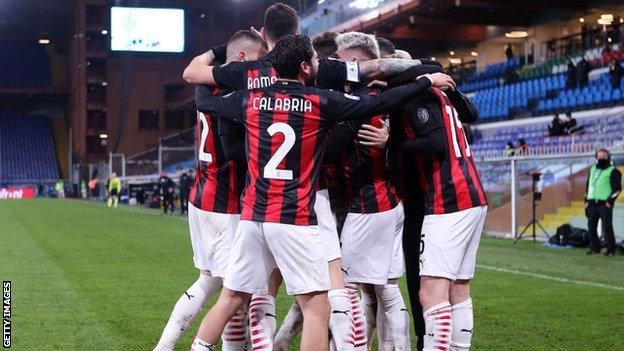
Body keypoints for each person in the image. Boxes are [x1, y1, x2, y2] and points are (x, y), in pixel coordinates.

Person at [191, 34, 455, 351]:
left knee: (231, 297)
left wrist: (213, 71)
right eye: (315, 60)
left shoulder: (250, 99)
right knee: (317, 307)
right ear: (304, 67)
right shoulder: (319, 103)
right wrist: (424, 80)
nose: (320, 64)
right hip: (292, 217)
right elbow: (381, 102)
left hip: (252, 217)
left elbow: (205, 102)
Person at [153, 30, 267, 351]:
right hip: (225, 203)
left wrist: (220, 49)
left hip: (201, 195)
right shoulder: (235, 88)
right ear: (242, 59)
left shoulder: (206, 84)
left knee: (216, 282)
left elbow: (195, 67)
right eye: (256, 60)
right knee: (233, 289)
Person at [585, 149, 622, 256]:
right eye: (599, 157)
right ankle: (594, 248)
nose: (601, 159)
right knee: (591, 226)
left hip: (604, 204)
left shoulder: (613, 171)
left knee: (607, 227)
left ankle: (611, 249)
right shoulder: (592, 169)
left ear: (608, 157)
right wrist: (586, 201)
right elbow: (588, 186)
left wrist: (609, 202)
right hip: (592, 203)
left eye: (603, 157)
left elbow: (617, 189)